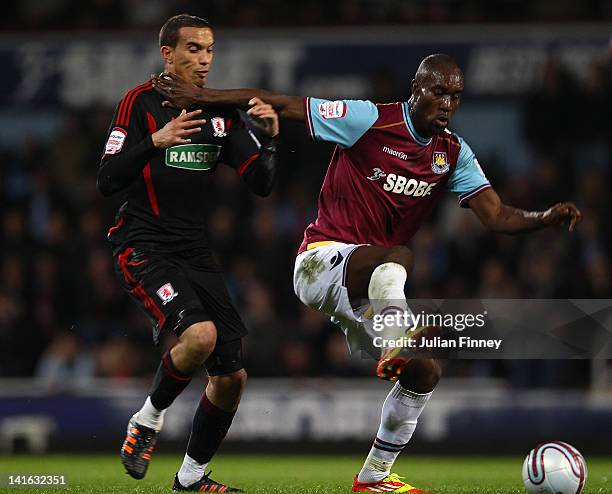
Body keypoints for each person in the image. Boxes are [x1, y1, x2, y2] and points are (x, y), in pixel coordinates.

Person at [152, 53, 582, 493]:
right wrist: (203, 96)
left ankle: (374, 477)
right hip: (320, 262)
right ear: (416, 90)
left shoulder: (452, 152)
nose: (448, 103)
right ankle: (396, 337)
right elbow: (280, 103)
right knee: (397, 256)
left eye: (455, 96)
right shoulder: (370, 120)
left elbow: (496, 215)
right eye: (438, 92)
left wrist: (543, 215)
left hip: (370, 285)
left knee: (424, 373)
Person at [98, 14, 279, 492]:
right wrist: (154, 142)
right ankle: (148, 420)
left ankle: (191, 479)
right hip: (142, 245)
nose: (204, 60)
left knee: (233, 377)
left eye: (210, 50)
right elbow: (106, 179)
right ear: (168, 54)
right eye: (194, 49)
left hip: (195, 253)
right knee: (199, 336)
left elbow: (260, 183)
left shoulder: (219, 113)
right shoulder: (138, 104)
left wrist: (271, 140)